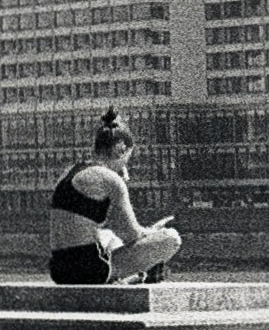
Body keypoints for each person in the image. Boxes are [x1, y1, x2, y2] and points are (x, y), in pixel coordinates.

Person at [47, 111, 181, 286]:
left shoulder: (70, 171)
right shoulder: (111, 179)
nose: (126, 166)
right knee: (171, 238)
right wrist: (153, 232)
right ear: (121, 148)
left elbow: (104, 225)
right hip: (89, 270)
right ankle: (140, 276)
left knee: (109, 235)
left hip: (58, 269)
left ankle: (130, 277)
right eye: (127, 159)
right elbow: (132, 234)